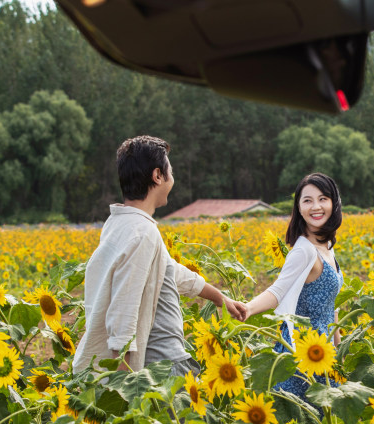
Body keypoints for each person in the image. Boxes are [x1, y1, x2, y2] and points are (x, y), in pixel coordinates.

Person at [73, 136, 248, 377]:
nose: (172, 180)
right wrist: (123, 380)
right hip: (161, 366)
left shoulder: (120, 224)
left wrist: (219, 298)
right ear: (158, 176)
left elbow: (170, 270)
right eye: (171, 172)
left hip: (160, 361)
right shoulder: (142, 232)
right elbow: (124, 307)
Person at [244, 172, 344, 424]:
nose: (316, 206)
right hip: (299, 359)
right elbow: (277, 291)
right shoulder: (303, 250)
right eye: (308, 200)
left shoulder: (327, 248)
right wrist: (246, 309)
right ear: (299, 208)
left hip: (325, 361)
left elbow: (333, 308)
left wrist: (339, 355)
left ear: (333, 203)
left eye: (323, 199)